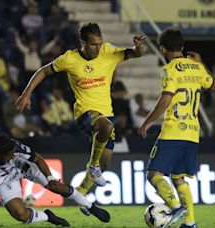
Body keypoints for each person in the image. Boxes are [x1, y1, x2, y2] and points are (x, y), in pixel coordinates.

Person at [15, 23, 145, 202]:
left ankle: (81, 192)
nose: (98, 48)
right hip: (85, 113)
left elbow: (134, 53)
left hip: (107, 112)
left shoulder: (108, 51)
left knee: (105, 162)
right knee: (105, 128)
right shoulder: (70, 59)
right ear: (82, 42)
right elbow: (43, 71)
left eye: (100, 43)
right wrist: (27, 93)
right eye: (93, 44)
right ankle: (92, 166)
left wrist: (138, 47)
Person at [138, 28, 215, 228]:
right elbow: (214, 86)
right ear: (182, 46)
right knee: (179, 178)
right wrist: (201, 63)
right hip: (192, 133)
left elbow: (167, 98)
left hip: (173, 130)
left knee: (154, 174)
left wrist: (148, 121)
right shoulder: (197, 67)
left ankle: (175, 207)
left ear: (163, 49)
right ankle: (190, 223)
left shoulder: (169, 69)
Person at [0, 135, 110, 228]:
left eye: (14, 151)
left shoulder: (14, 147)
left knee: (57, 187)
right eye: (10, 155)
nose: (14, 154)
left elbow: (38, 159)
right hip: (4, 179)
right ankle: (48, 216)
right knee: (20, 215)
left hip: (23, 167)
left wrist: (50, 178)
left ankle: (90, 206)